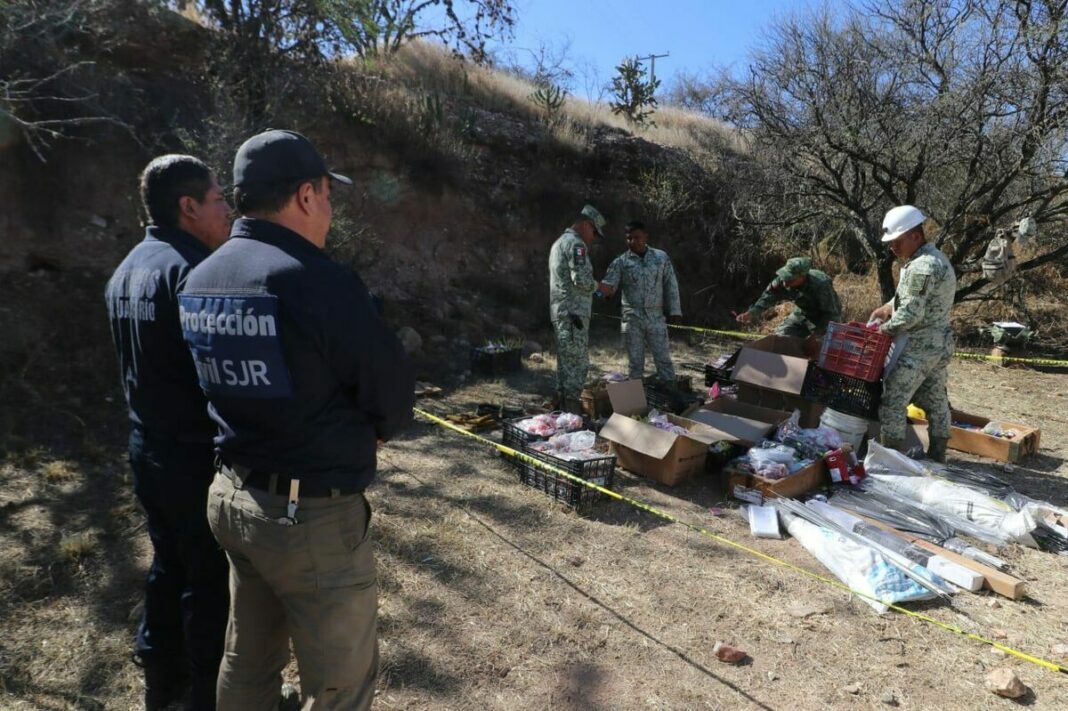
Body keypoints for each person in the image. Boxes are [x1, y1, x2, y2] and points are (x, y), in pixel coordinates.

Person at [180, 130, 414, 709]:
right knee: (339, 685)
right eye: (329, 196)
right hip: (306, 518)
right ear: (307, 196)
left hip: (234, 497)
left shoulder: (201, 276)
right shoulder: (315, 281)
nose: (331, 210)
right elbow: (392, 395)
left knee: (249, 660)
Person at [104, 154, 232, 709]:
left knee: (167, 560)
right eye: (218, 199)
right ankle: (207, 692)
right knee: (207, 576)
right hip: (189, 454)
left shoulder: (128, 266)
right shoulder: (189, 272)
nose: (227, 210)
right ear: (189, 207)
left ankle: (161, 672)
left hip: (145, 445)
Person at [868, 205, 957, 462]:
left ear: (915, 236)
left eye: (897, 242)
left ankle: (891, 463)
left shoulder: (921, 267)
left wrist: (881, 332)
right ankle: (939, 456)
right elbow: (916, 302)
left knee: (893, 402)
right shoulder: (934, 259)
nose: (892, 248)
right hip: (937, 346)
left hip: (919, 348)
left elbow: (911, 316)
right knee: (935, 401)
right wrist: (887, 307)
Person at [598, 220, 682, 382]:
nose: (632, 242)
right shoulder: (621, 262)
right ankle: (637, 402)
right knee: (635, 364)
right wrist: (598, 294)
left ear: (646, 237)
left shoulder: (661, 258)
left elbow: (671, 285)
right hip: (631, 319)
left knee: (663, 360)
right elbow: (608, 287)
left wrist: (675, 311)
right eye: (629, 238)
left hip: (655, 317)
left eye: (636, 237)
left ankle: (671, 394)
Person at [548, 204, 606, 413]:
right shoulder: (576, 245)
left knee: (565, 363)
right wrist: (600, 287)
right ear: (585, 224)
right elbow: (581, 280)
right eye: (594, 232)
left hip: (563, 312)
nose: (594, 238)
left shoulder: (559, 243)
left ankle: (560, 410)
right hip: (573, 315)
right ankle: (572, 414)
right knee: (577, 364)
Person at [736, 256, 841, 338]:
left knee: (819, 348)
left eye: (790, 279)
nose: (785, 283)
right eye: (785, 277)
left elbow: (831, 315)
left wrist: (815, 336)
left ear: (802, 276)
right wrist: (751, 313)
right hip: (802, 313)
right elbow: (768, 296)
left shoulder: (820, 285)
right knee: (781, 337)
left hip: (824, 318)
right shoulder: (782, 280)